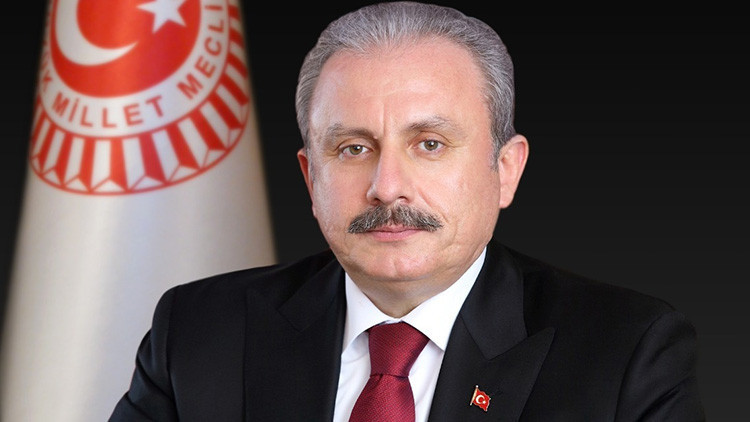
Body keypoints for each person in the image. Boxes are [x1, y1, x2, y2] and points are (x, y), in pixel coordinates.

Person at [110, 2, 705, 421]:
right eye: (353, 149)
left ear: (505, 170)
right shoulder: (199, 334)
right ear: (310, 178)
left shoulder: (626, 353)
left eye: (430, 144)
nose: (387, 187)